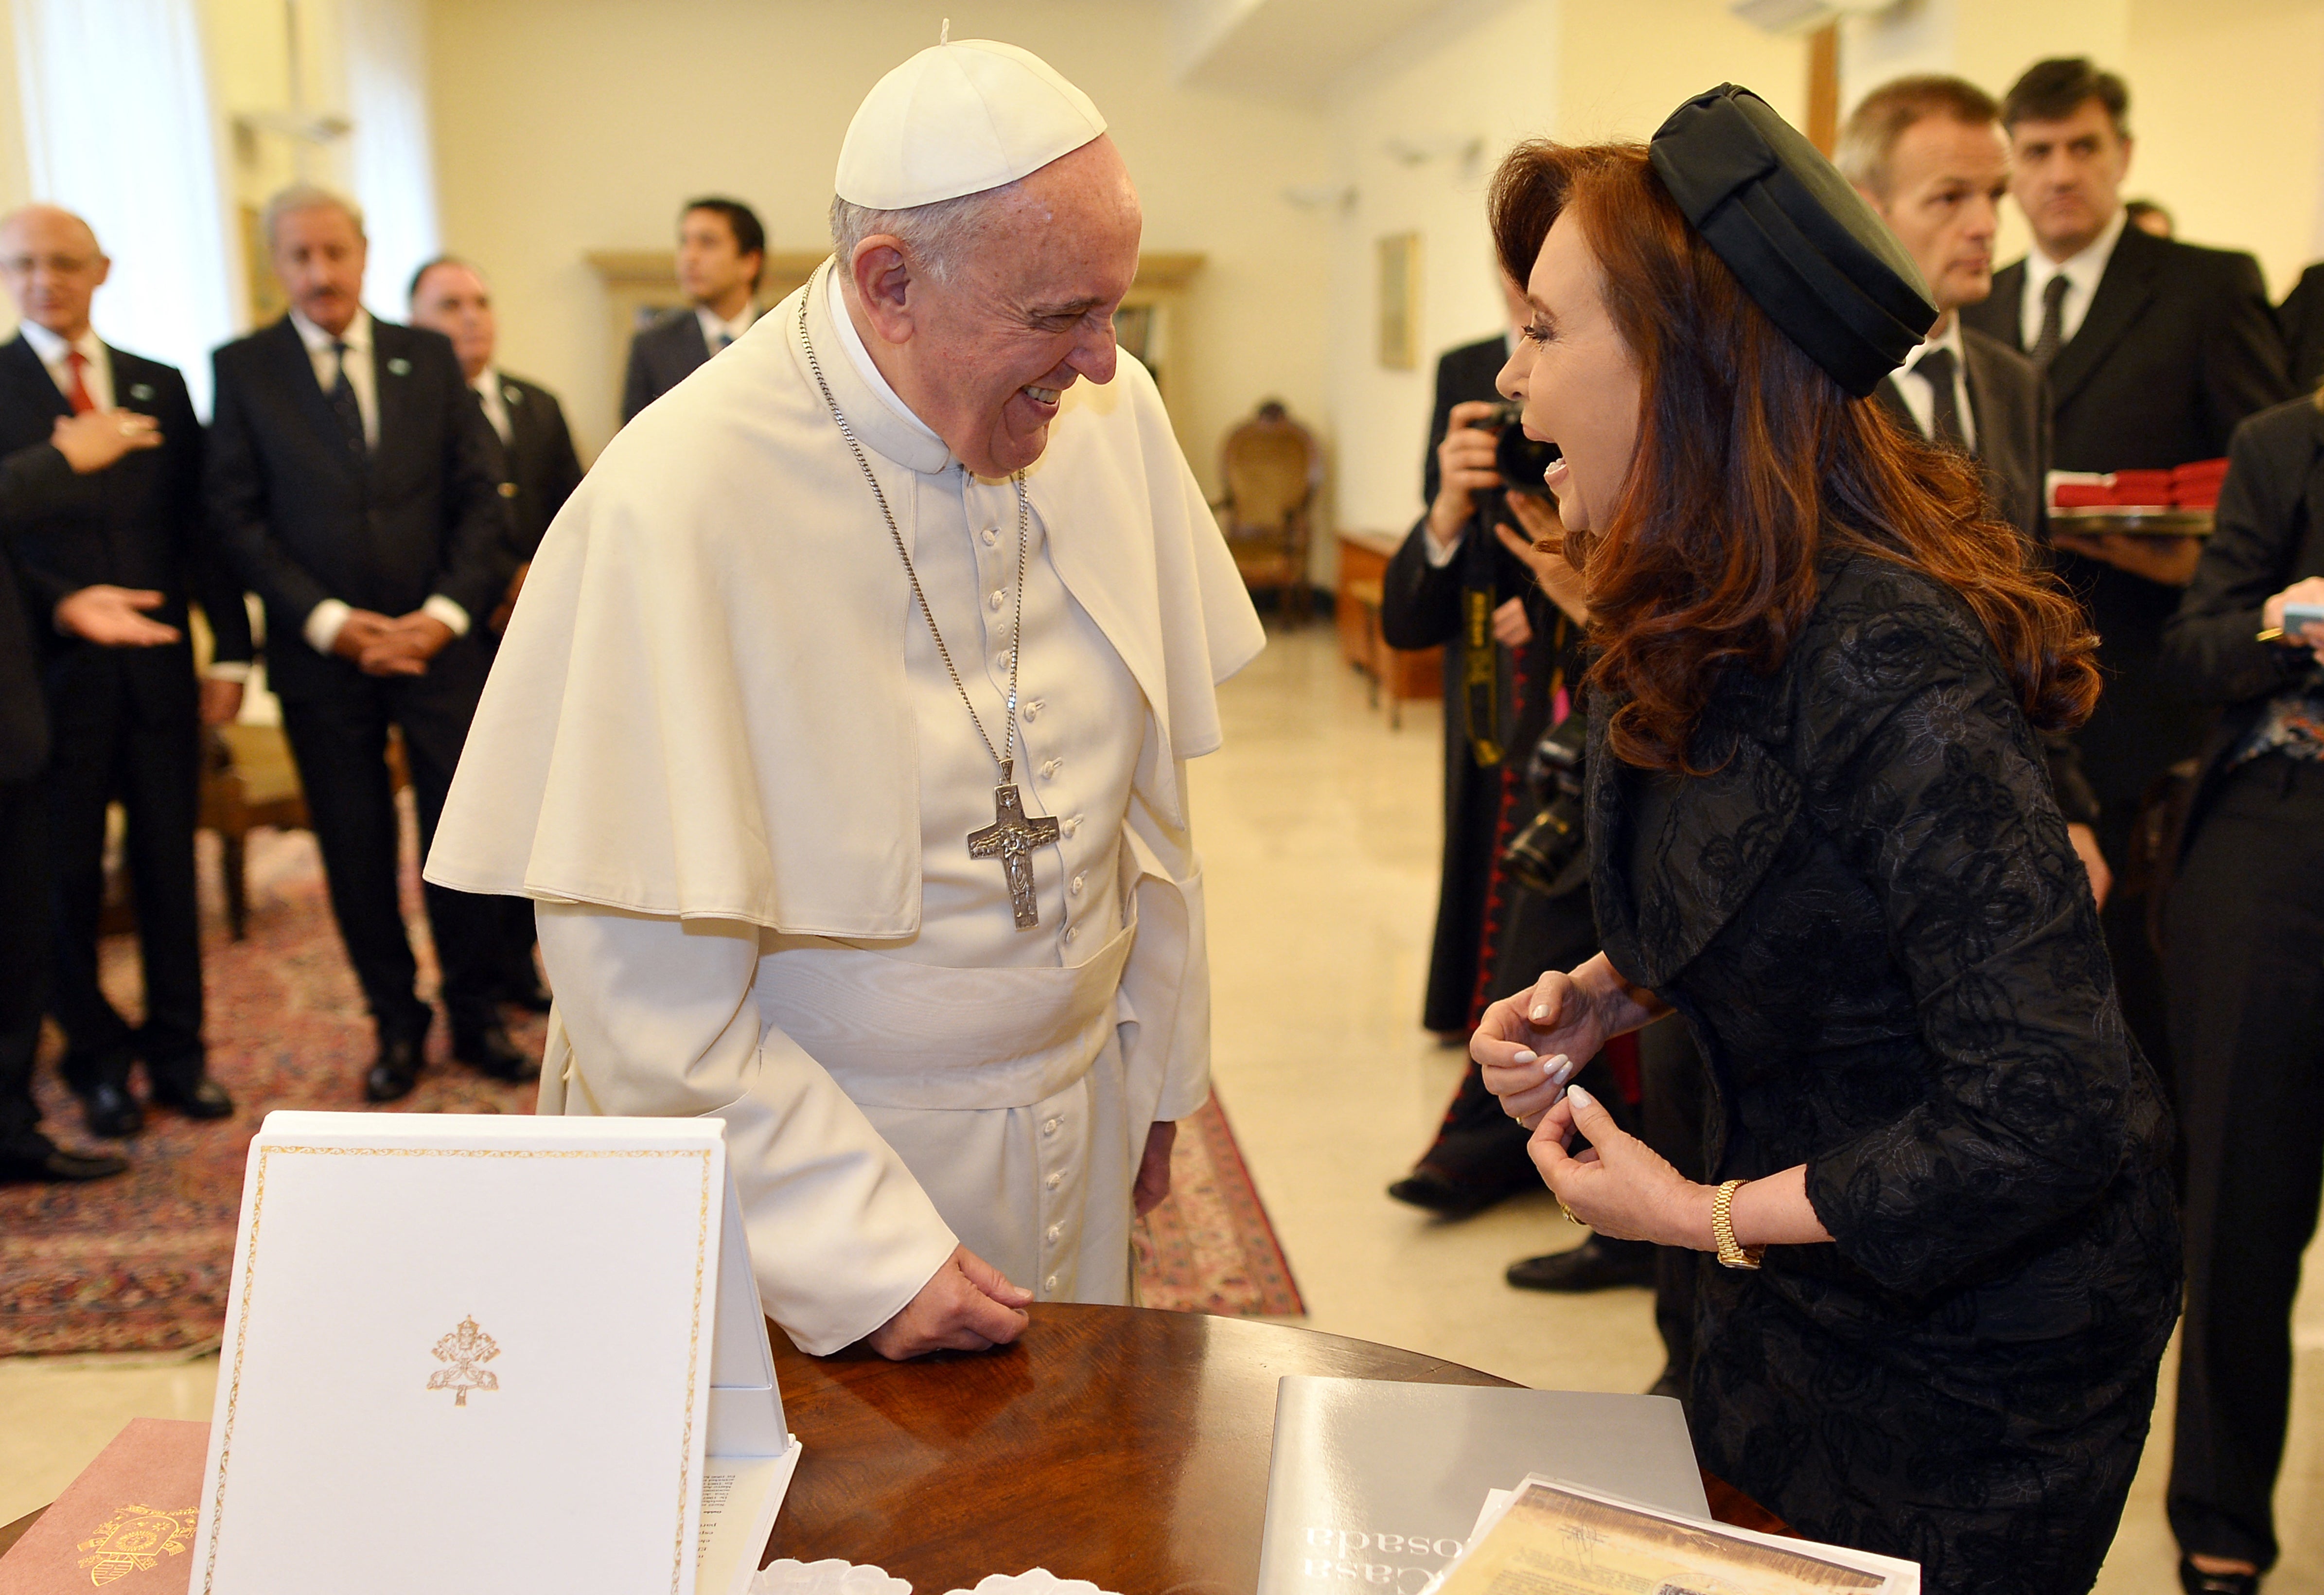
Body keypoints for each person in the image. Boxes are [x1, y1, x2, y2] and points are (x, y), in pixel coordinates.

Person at [426, 38, 1264, 1362]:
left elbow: (1150, 804)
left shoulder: (1116, 417)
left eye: (1114, 310)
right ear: (891, 284)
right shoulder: (682, 495)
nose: (1103, 365)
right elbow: (638, 998)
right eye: (1059, 318)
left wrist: (1158, 1066)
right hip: (817, 1181)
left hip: (1074, 1112)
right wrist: (857, 1252)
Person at [1474, 88, 2179, 1595]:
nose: (1511, 377)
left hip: (1974, 1361)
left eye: (1543, 330)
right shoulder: (1707, 599)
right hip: (1783, 1292)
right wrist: (1617, 986)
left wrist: (1689, 1212)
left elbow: (2044, 1110)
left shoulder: (1883, 654)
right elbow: (1792, 866)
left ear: (1685, 364)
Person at [1960, 58, 2291, 1092]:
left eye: (2082, 148)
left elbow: (2268, 485)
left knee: (2144, 1001)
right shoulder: (1978, 298)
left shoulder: (2204, 284)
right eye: (2037, 152)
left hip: (2144, 689)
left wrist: (2181, 548)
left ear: (2121, 156)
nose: (2059, 173)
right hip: (2002, 691)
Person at [208, 185, 530, 1103]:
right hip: (323, 661)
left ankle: (476, 1014)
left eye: (334, 253)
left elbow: (482, 499)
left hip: (439, 651)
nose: (319, 272)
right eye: (300, 256)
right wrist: (329, 624)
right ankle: (396, 1023)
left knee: (459, 841)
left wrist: (444, 615)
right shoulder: (242, 369)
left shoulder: (426, 358)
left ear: (363, 254)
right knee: (353, 848)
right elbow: (233, 519)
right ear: (279, 265)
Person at [0, 205, 246, 1138]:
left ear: (100, 270)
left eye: (64, 264)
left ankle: (181, 1054)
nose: (44, 281)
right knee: (64, 883)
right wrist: (64, 597)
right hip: (47, 681)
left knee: (165, 870)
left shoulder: (157, 382)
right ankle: (97, 1060)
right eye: (23, 264)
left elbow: (200, 530)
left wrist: (228, 648)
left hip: (159, 679)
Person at [1838, 76, 2113, 907]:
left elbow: (2029, 606)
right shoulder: (1817, 387)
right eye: (1950, 198)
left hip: (2004, 802)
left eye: (1994, 194)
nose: (1989, 224)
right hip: (1859, 822)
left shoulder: (2015, 384)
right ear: (1864, 208)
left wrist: (2068, 806)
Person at [2157, 389, 2324, 1595]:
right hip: (2280, 831)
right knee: (2237, 1195)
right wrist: (2288, 623)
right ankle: (2219, 1519)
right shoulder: (2284, 443)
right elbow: (2196, 647)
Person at [0, 406, 184, 1181]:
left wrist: (56, 604)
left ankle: (12, 1131)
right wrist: (60, 460)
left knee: (17, 947)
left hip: (15, 725)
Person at [408, 253, 584, 1014]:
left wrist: (534, 584)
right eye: (450, 305)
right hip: (458, 644)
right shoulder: (415, 415)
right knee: (467, 816)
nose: (471, 316)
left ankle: (523, 964)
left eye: (480, 300)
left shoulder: (536, 403)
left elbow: (578, 507)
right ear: (413, 323)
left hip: (535, 635)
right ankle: (471, 985)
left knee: (537, 811)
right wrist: (486, 585)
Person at [620, 197, 765, 423]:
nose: (690, 257)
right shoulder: (652, 347)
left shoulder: (790, 340)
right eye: (684, 243)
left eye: (707, 243)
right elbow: (635, 442)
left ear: (750, 262)